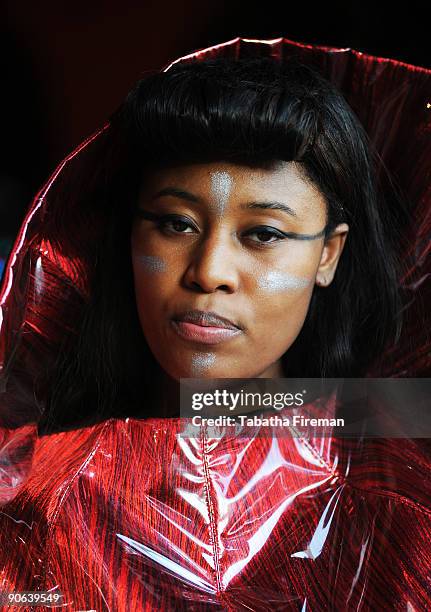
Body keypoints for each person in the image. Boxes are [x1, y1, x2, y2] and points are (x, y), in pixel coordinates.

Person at [0, 37, 430, 610]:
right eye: (176, 224)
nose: (209, 273)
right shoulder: (32, 498)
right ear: (128, 234)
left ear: (328, 255)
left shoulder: (404, 503)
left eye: (264, 234)